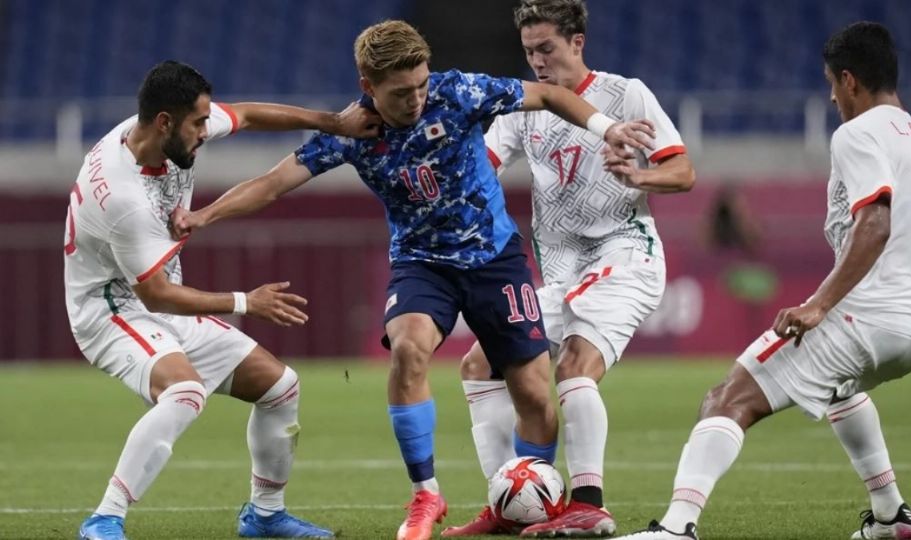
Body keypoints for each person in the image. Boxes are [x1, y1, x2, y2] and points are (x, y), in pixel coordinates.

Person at [169, 20, 656, 540]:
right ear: (368, 87)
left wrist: (608, 129)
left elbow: (548, 95)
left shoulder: (458, 91)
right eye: (402, 92)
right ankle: (426, 495)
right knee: (408, 348)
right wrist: (203, 217)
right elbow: (271, 185)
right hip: (422, 264)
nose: (418, 98)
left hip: (495, 259)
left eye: (422, 84)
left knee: (535, 393)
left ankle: (531, 506)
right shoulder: (353, 132)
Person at [610, 21, 911, 540]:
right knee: (839, 387)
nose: (832, 97)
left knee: (727, 397)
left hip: (869, 317)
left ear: (850, 80)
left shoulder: (858, 133)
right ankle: (890, 515)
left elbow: (875, 221)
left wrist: (818, 305)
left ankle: (677, 528)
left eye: (832, 84)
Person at [67, 60, 379, 540]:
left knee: (281, 387)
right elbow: (156, 294)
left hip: (157, 298)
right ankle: (104, 518)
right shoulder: (123, 197)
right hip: (111, 309)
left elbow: (250, 115)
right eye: (198, 124)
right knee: (185, 392)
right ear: (165, 122)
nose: (204, 132)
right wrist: (243, 302)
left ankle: (265, 516)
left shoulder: (162, 130)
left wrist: (333, 122)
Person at [440, 1, 695, 537]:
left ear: (577, 43)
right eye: (529, 50)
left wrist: (639, 179)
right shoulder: (521, 106)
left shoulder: (625, 94)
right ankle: (508, 504)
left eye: (547, 49)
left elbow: (683, 170)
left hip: (625, 255)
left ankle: (589, 505)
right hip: (561, 273)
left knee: (574, 367)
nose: (537, 61)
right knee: (479, 365)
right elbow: (479, 168)